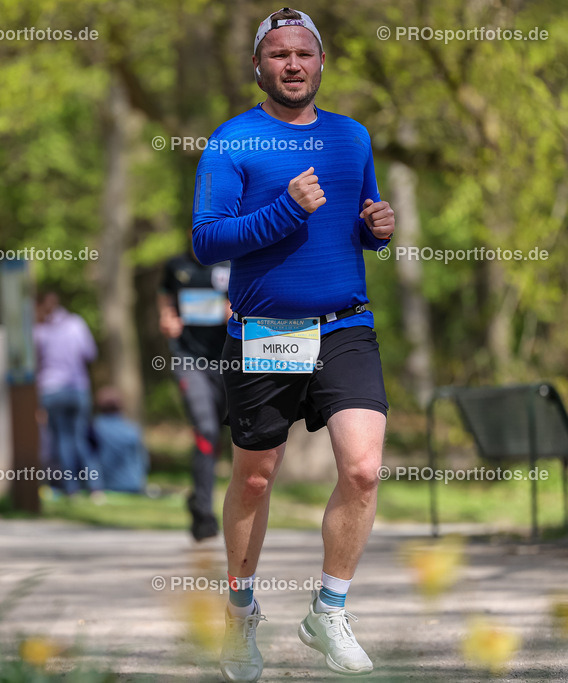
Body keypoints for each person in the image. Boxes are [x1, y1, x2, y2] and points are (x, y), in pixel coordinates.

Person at [191, 8, 396, 680]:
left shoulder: (352, 137)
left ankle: (329, 611)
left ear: (321, 62)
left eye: (304, 53)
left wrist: (377, 227)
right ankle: (240, 609)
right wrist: (285, 208)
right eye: (278, 54)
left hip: (345, 324)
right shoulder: (231, 142)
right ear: (258, 65)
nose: (293, 65)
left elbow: (355, 226)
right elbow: (207, 239)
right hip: (269, 330)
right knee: (255, 475)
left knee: (362, 467)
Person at [158, 250, 230, 541]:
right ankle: (204, 513)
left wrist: (238, 312)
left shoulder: (232, 261)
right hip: (189, 361)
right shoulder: (176, 266)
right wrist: (166, 318)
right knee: (206, 430)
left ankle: (198, 498)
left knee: (225, 436)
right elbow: (165, 297)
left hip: (229, 361)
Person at [33, 291, 103, 495]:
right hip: (77, 387)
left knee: (61, 440)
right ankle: (95, 487)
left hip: (51, 389)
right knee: (80, 437)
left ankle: (70, 488)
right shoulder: (76, 324)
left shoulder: (39, 331)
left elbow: (34, 362)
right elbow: (90, 353)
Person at [91, 386, 148, 493]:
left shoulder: (94, 428)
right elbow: (143, 461)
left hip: (105, 485)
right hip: (133, 484)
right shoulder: (133, 429)